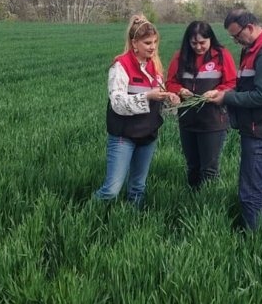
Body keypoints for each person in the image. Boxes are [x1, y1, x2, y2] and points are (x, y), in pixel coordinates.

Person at [203, 9, 262, 231]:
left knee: (249, 190)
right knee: (259, 184)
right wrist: (224, 93)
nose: (234, 40)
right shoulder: (252, 47)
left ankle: (253, 239)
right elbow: (245, 85)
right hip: (258, 127)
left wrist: (226, 97)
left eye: (236, 35)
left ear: (250, 28)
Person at [94, 14, 180, 208]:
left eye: (155, 42)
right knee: (111, 190)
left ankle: (133, 225)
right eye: (147, 42)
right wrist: (147, 96)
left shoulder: (155, 67)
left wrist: (171, 100)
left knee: (138, 188)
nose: (153, 47)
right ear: (135, 43)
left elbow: (159, 101)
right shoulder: (120, 66)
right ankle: (84, 218)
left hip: (148, 134)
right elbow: (117, 102)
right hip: (124, 135)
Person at [165, 21, 237, 190]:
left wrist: (216, 92)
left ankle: (209, 203)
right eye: (194, 43)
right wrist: (180, 90)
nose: (198, 47)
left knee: (209, 169)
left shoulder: (221, 55)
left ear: (210, 39)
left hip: (213, 120)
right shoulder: (180, 56)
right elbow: (170, 82)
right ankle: (192, 198)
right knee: (193, 167)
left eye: (202, 42)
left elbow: (232, 82)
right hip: (187, 120)